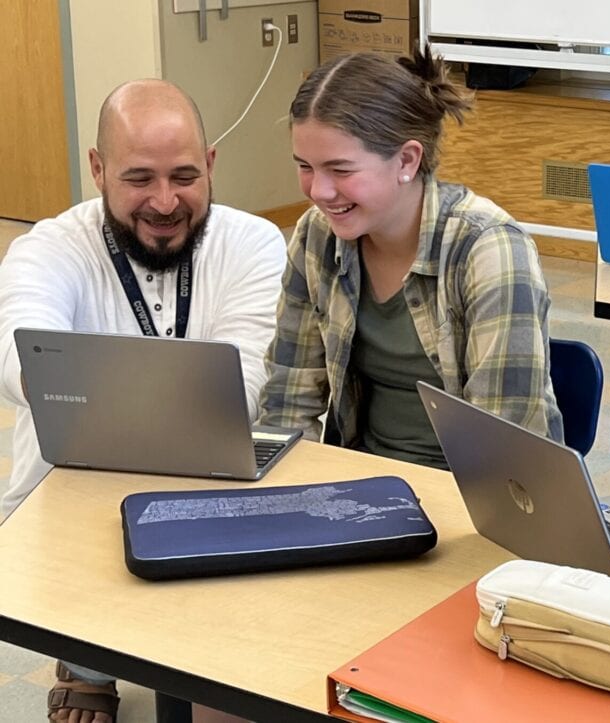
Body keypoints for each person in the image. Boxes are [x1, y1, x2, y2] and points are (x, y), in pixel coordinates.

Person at [0, 80, 287, 722]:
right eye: (139, 179)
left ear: (212, 163)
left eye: (185, 175)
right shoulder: (48, 247)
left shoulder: (256, 243)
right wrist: (173, 396)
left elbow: (244, 388)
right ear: (98, 170)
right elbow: (18, 358)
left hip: (209, 484)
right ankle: (86, 661)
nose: (165, 201)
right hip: (76, 494)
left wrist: (84, 389)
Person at [257, 47, 563, 461]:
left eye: (341, 170)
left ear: (406, 160)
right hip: (362, 486)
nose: (318, 191)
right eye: (305, 166)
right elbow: (288, 406)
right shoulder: (317, 235)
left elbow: (503, 449)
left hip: (469, 494)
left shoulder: (489, 249)